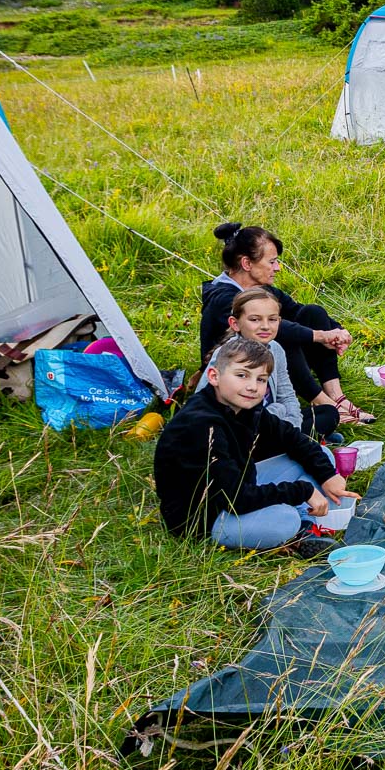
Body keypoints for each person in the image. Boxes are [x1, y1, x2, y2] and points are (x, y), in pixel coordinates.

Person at [154, 336, 361, 556]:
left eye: (261, 379)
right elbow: (236, 499)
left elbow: (291, 437)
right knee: (285, 520)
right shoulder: (199, 425)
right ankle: (297, 528)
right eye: (242, 375)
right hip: (207, 516)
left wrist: (328, 475)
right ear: (214, 376)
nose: (252, 387)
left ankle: (305, 527)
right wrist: (303, 490)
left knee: (322, 456)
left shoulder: (244, 406)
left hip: (241, 484)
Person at [200, 222, 369, 431]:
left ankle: (335, 395)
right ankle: (325, 404)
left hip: (270, 370)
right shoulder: (222, 298)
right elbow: (281, 329)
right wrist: (320, 336)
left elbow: (297, 311)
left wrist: (337, 332)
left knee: (312, 312)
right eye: (272, 262)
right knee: (278, 336)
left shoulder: (262, 289)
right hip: (243, 375)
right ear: (246, 263)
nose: (277, 268)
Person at [195, 288, 304, 431]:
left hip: (272, 420)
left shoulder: (276, 349)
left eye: (272, 319)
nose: (265, 326)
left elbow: (287, 395)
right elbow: (202, 400)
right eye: (255, 319)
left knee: (327, 413)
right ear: (235, 323)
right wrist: (279, 412)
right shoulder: (227, 353)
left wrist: (293, 428)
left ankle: (300, 435)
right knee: (278, 409)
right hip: (236, 425)